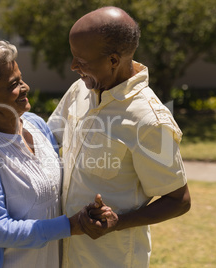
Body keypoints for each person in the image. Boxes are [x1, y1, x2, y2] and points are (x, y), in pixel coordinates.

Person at [0, 40, 115, 268]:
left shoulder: (37, 124)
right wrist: (70, 226)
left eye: (21, 78)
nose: (25, 87)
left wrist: (90, 212)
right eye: (13, 85)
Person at [47, 6, 191, 268]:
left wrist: (118, 222)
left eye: (81, 60)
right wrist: (1, 162)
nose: (73, 66)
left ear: (113, 60)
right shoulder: (81, 89)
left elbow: (178, 200)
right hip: (63, 255)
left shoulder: (149, 120)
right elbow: (48, 139)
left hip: (111, 260)